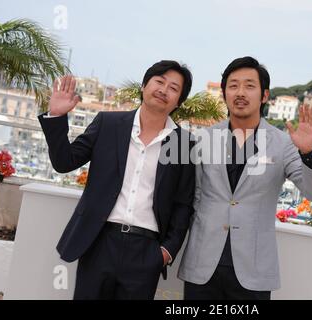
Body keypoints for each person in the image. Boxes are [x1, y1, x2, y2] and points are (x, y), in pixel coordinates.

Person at [38, 60, 195, 299]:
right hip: (99, 242)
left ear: (179, 101)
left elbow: (183, 203)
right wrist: (57, 117)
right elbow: (64, 162)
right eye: (159, 82)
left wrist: (166, 251)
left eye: (174, 88)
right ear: (144, 85)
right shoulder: (108, 124)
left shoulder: (184, 143)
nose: (164, 90)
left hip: (146, 251)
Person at [178, 56, 312, 299]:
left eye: (250, 85)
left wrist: (309, 154)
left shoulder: (283, 144)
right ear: (225, 93)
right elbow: (192, 196)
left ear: (264, 96)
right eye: (233, 85)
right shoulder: (203, 139)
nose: (240, 92)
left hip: (254, 269)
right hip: (203, 264)